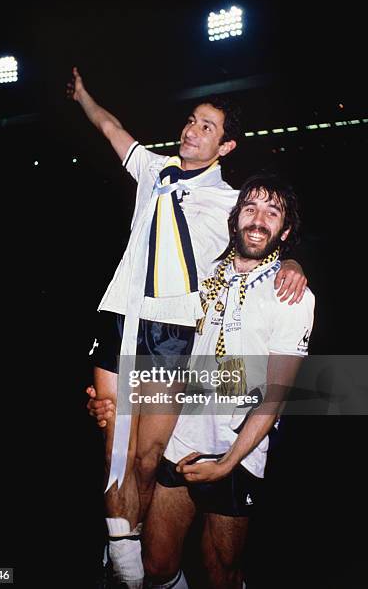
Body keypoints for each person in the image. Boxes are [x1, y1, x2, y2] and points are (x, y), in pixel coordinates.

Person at [66, 67, 307, 588]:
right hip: (134, 332)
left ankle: (131, 545)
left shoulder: (232, 205)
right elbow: (111, 128)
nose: (192, 131)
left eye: (207, 127)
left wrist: (292, 264)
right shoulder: (155, 170)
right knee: (120, 456)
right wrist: (84, 95)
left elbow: (261, 237)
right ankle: (119, 552)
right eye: (191, 121)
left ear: (226, 147)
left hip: (195, 368)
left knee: (159, 471)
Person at [140, 173, 315, 589]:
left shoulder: (292, 296)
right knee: (157, 563)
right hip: (182, 436)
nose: (259, 220)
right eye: (251, 208)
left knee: (221, 571)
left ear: (285, 231)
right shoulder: (202, 273)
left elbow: (276, 395)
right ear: (235, 219)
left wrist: (229, 462)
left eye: (273, 213)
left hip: (239, 448)